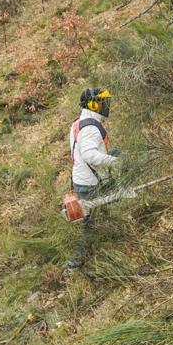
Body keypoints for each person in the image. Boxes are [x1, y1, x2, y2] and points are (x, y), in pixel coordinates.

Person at [64, 87, 120, 273]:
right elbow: (89, 155)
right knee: (89, 227)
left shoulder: (79, 122)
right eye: (103, 102)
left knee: (101, 215)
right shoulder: (90, 127)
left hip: (84, 180)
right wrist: (114, 162)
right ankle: (73, 265)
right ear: (93, 104)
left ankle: (110, 242)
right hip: (90, 183)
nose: (106, 105)